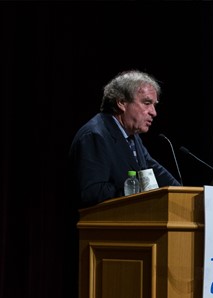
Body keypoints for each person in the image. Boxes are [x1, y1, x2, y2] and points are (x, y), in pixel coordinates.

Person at [70, 70, 181, 208]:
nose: (154, 112)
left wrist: (182, 194)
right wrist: (137, 190)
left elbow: (154, 171)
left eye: (154, 105)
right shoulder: (95, 135)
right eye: (147, 103)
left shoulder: (132, 137)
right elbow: (92, 192)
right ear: (122, 102)